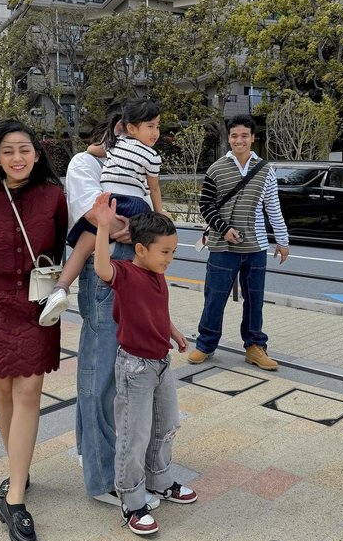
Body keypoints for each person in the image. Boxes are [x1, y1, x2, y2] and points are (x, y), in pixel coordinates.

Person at [0, 119, 68, 541]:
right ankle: (18, 470)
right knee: (3, 393)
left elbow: (61, 245)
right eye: (8, 151)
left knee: (28, 394)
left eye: (24, 149)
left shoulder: (54, 197)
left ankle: (16, 497)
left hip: (35, 304)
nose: (18, 158)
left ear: (37, 154)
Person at [64, 111, 160, 511]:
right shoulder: (86, 164)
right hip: (105, 273)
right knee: (100, 375)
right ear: (121, 128)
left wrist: (136, 225)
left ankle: (93, 455)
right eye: (139, 128)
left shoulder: (129, 164)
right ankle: (104, 477)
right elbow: (103, 220)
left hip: (128, 272)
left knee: (108, 371)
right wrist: (135, 225)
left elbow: (143, 223)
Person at [93, 193, 198, 535]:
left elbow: (157, 312)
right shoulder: (125, 273)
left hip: (161, 363)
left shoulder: (157, 275)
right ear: (141, 250)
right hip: (135, 368)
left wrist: (175, 332)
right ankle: (132, 499)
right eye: (165, 252)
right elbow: (101, 267)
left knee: (166, 424)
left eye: (173, 252)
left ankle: (160, 480)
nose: (170, 258)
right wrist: (103, 228)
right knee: (134, 435)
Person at [39, 98, 164, 327]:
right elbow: (98, 216)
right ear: (125, 128)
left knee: (85, 242)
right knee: (101, 337)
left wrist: (142, 228)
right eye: (150, 126)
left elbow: (143, 210)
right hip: (109, 258)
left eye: (157, 127)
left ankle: (60, 288)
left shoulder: (136, 157)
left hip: (130, 252)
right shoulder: (86, 162)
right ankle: (59, 290)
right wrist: (147, 225)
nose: (155, 133)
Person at [188, 114, 289, 370]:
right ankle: (205, 344)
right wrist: (224, 229)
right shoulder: (216, 168)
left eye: (245, 135)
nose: (239, 140)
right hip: (223, 247)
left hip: (256, 247)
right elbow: (206, 206)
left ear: (253, 138)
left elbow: (273, 208)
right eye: (234, 136)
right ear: (229, 138)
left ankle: (255, 346)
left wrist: (282, 240)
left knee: (255, 299)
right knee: (215, 297)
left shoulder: (266, 170)